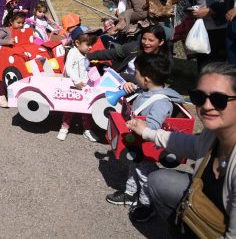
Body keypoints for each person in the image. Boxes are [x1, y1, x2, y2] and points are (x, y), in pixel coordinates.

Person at [129, 63, 236, 237]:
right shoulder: (212, 134)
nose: (207, 106)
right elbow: (191, 145)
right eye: (199, 97)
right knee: (159, 180)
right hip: (209, 208)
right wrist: (147, 132)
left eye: (219, 99)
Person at [105, 53, 182, 223]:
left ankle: (147, 204)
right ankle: (130, 193)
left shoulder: (161, 101)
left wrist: (138, 125)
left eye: (136, 73)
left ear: (146, 79)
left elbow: (153, 127)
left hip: (147, 147)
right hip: (138, 145)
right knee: (134, 167)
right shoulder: (147, 90)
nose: (134, 76)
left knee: (145, 175)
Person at [56, 31, 100, 142]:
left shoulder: (83, 53)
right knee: (70, 107)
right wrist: (76, 81)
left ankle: (87, 130)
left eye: (91, 45)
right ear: (77, 43)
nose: (90, 47)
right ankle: (64, 127)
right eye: (88, 44)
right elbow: (69, 68)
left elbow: (83, 68)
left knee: (87, 108)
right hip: (73, 85)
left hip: (83, 84)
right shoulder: (73, 52)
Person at [87, 25, 168, 82]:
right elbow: (111, 53)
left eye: (151, 40)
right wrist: (87, 56)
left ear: (161, 42)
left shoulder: (162, 62)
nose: (146, 43)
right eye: (144, 39)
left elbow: (149, 82)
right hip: (117, 80)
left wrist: (122, 75)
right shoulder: (134, 47)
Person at [0, 10, 27, 108]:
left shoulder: (22, 31)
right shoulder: (6, 30)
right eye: (19, 22)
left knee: (20, 74)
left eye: (23, 23)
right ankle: (1, 96)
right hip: (7, 57)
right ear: (11, 22)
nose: (21, 25)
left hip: (19, 56)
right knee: (6, 76)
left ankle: (16, 94)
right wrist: (7, 41)